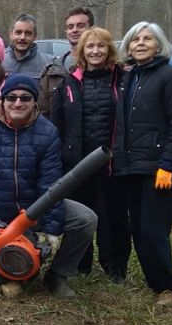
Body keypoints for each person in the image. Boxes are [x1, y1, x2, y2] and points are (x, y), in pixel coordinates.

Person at [0, 75, 97, 298]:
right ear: (2, 100)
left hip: (35, 209)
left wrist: (51, 229)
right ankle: (1, 258)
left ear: (35, 101)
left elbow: (50, 184)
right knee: (2, 277)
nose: (18, 103)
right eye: (12, 97)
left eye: (25, 98)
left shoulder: (47, 132)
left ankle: (58, 275)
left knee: (85, 219)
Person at [113, 21, 172, 305]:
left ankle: (167, 287)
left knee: (154, 228)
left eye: (147, 39)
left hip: (157, 168)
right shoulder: (128, 79)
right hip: (130, 166)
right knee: (137, 227)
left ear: (158, 45)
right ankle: (154, 280)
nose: (140, 43)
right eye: (135, 39)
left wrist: (170, 164)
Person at [50, 27, 129, 282]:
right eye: (90, 47)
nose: (95, 51)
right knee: (82, 216)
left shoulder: (123, 81)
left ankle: (114, 266)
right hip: (78, 162)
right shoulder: (69, 83)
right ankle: (81, 264)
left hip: (112, 162)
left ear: (109, 49)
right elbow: (57, 124)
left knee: (113, 216)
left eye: (101, 46)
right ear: (82, 51)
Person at [39, 7, 93, 117]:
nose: (74, 30)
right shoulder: (51, 71)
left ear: (92, 29)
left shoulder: (104, 69)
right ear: (66, 31)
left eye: (80, 26)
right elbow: (42, 113)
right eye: (70, 27)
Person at [3, 13, 48, 78]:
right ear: (11, 34)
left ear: (35, 36)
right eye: (18, 32)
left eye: (28, 33)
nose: (22, 37)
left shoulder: (47, 64)